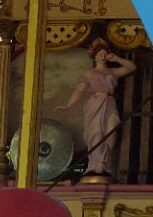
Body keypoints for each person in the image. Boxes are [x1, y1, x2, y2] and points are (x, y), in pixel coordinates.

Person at [56, 39, 135, 177]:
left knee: (111, 134)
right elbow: (78, 91)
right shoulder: (89, 73)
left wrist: (116, 58)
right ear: (95, 56)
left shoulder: (112, 72)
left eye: (105, 53)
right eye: (100, 54)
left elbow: (131, 67)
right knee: (96, 133)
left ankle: (106, 164)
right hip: (96, 102)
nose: (102, 56)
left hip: (109, 102)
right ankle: (96, 165)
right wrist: (68, 105)